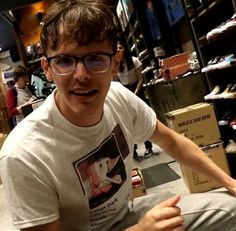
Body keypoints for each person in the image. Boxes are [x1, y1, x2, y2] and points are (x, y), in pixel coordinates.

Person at [1, 1, 236, 230]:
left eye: (95, 58)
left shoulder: (118, 97)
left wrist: (230, 182)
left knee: (230, 208)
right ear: (47, 68)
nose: (81, 75)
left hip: (127, 214)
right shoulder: (22, 154)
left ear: (115, 62)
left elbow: (172, 141)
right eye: (64, 61)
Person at [116, 40, 154, 159]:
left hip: (137, 89)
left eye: (120, 48)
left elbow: (140, 79)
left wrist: (135, 93)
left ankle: (149, 147)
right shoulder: (116, 64)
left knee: (143, 117)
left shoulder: (134, 60)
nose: (118, 50)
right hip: (124, 90)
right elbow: (115, 80)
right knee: (128, 121)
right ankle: (134, 150)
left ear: (125, 49)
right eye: (116, 48)